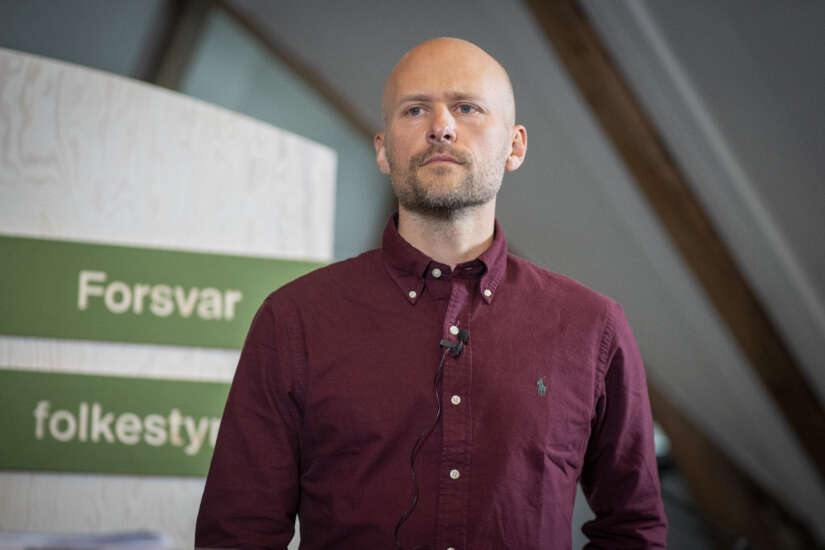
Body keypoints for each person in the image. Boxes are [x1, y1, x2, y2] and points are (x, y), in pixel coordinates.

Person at [196, 37, 667, 549]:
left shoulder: (591, 328)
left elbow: (633, 530)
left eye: (467, 108)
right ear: (383, 150)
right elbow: (238, 533)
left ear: (515, 147)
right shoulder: (296, 320)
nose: (441, 126)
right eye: (416, 109)